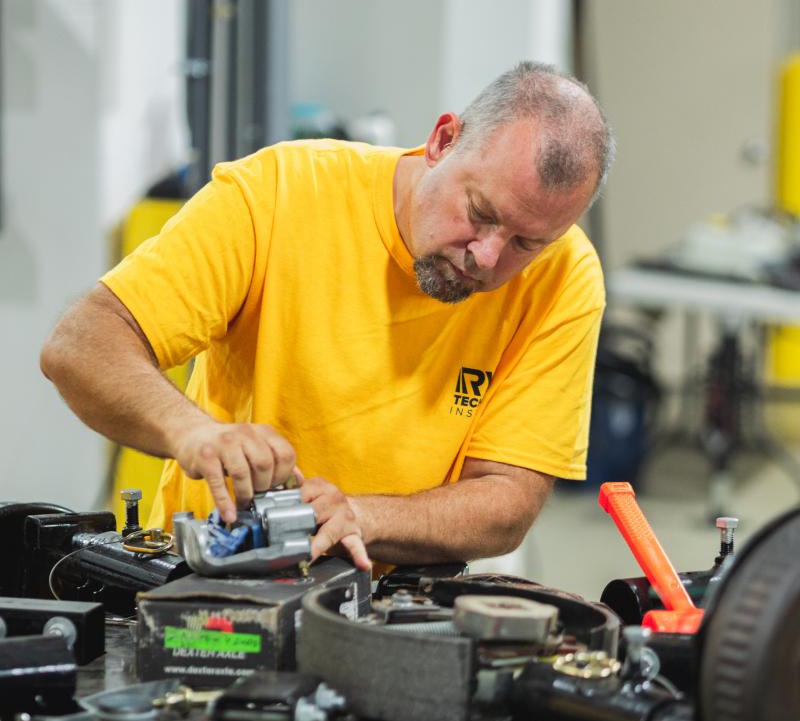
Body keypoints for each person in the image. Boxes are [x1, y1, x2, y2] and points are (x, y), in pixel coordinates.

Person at [41, 62, 613, 573]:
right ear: (442, 140)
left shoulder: (565, 275)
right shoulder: (279, 194)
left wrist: (359, 515)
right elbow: (81, 343)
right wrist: (192, 432)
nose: (487, 257)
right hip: (210, 583)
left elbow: (506, 502)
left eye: (526, 243)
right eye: (480, 213)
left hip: (394, 600)